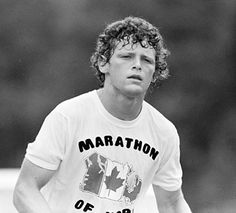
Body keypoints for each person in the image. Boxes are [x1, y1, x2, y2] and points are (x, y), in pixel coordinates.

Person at [13, 16, 192, 213]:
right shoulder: (68, 117)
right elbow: (25, 190)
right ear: (103, 63)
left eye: (147, 60)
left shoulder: (164, 132)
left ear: (155, 72)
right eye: (126, 56)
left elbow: (172, 204)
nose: (138, 65)